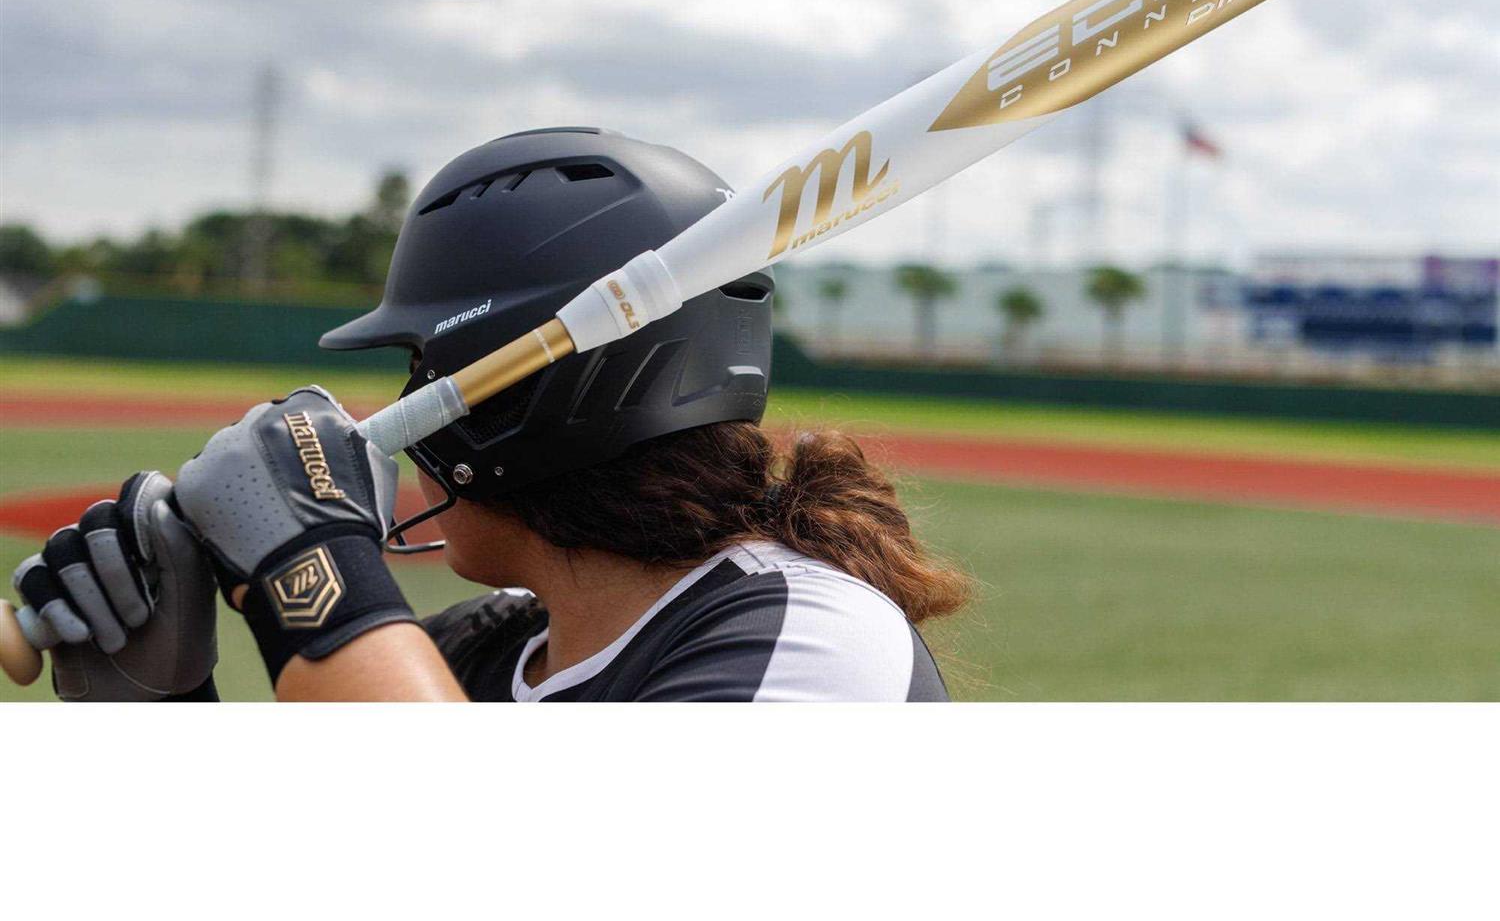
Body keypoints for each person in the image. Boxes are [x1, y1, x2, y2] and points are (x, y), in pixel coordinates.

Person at [12, 129, 970, 702]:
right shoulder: (474, 655)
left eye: (420, 366)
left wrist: (314, 569)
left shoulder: (812, 640)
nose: (403, 410)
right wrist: (161, 704)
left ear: (522, 399)